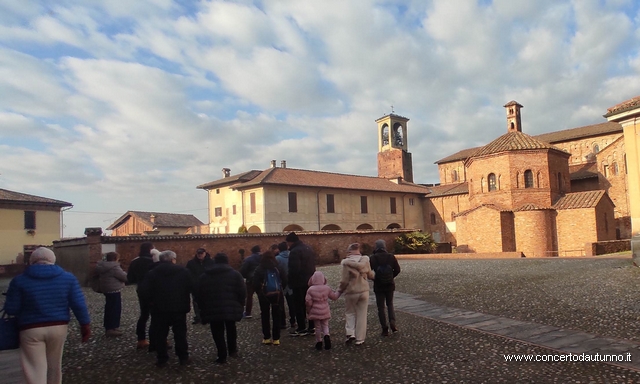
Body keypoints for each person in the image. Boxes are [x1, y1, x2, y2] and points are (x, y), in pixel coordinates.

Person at [3, 247, 91, 384]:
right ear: (53, 260)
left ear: (31, 261)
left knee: (35, 368)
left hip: (30, 328)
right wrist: (85, 324)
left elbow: (11, 309)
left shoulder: (19, 281)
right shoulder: (68, 278)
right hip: (59, 327)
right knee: (54, 366)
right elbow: (79, 304)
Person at [139, 250, 193, 367]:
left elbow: (143, 290)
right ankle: (183, 357)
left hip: (159, 309)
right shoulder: (184, 272)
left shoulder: (152, 273)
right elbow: (192, 287)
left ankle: (162, 358)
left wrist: (151, 302)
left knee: (160, 334)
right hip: (179, 307)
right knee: (180, 334)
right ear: (173, 259)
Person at [196, 253, 246, 364]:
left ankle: (221, 354)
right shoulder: (235, 274)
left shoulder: (205, 276)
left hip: (212, 307)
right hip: (231, 306)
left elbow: (199, 293)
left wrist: (202, 307)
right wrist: (241, 304)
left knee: (217, 330)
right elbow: (242, 291)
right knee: (231, 328)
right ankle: (232, 350)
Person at [338, 243, 374, 346]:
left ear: (349, 252)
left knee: (350, 313)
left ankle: (350, 333)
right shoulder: (365, 260)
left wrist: (340, 290)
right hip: (364, 290)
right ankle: (360, 339)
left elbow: (344, 281)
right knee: (362, 315)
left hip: (352, 291)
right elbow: (370, 274)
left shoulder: (346, 263)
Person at [251, 251, 287, 345]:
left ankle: (266, 337)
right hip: (277, 293)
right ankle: (276, 339)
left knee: (265, 314)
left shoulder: (259, 268)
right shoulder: (278, 266)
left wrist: (259, 292)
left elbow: (255, 282)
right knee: (277, 315)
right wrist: (280, 289)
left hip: (264, 294)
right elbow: (285, 279)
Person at [286, 232, 316, 336]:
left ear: (290, 241)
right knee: (310, 304)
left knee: (298, 305)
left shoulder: (294, 252)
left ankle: (302, 327)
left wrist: (290, 282)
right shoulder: (308, 248)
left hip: (299, 283)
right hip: (310, 281)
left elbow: (294, 269)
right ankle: (312, 326)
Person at [369, 239, 401, 336]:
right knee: (390, 304)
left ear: (376, 247)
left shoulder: (373, 258)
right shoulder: (391, 257)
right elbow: (398, 270)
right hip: (390, 284)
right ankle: (392, 322)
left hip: (378, 285)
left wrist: (375, 279)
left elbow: (368, 272)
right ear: (384, 246)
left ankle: (384, 328)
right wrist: (391, 277)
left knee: (381, 307)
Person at [127, 241, 156, 349]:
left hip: (142, 289)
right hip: (154, 289)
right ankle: (158, 339)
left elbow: (130, 279)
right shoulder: (153, 261)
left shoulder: (135, 262)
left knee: (144, 315)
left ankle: (141, 339)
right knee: (157, 315)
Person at [305, 271, 340, 350]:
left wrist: (308, 310)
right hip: (325, 310)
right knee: (325, 325)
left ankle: (319, 342)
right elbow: (334, 297)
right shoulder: (326, 288)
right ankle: (326, 336)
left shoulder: (310, 290)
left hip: (315, 311)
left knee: (317, 327)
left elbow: (308, 302)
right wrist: (340, 291)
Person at [95, 251, 127, 337]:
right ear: (115, 259)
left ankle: (109, 327)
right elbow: (124, 277)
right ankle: (112, 327)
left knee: (109, 308)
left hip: (106, 289)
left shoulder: (101, 266)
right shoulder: (114, 267)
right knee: (115, 309)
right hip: (114, 289)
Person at [186, 248, 213, 324]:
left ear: (205, 253)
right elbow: (188, 274)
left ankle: (206, 316)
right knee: (196, 302)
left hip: (207, 285)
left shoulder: (211, 262)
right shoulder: (191, 263)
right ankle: (198, 317)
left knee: (207, 302)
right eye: (198, 253)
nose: (200, 255)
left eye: (201, 253)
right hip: (196, 286)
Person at [275, 241, 295, 329]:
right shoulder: (293, 255)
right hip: (293, 281)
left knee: (281, 303)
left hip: (282, 283)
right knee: (293, 303)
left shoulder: (277, 259)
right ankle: (293, 320)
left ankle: (282, 323)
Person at [239, 245, 261, 319]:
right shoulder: (263, 258)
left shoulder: (248, 259)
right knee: (261, 295)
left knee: (249, 296)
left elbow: (243, 270)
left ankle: (248, 312)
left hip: (251, 279)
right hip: (261, 278)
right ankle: (264, 310)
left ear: (252, 251)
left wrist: (246, 276)